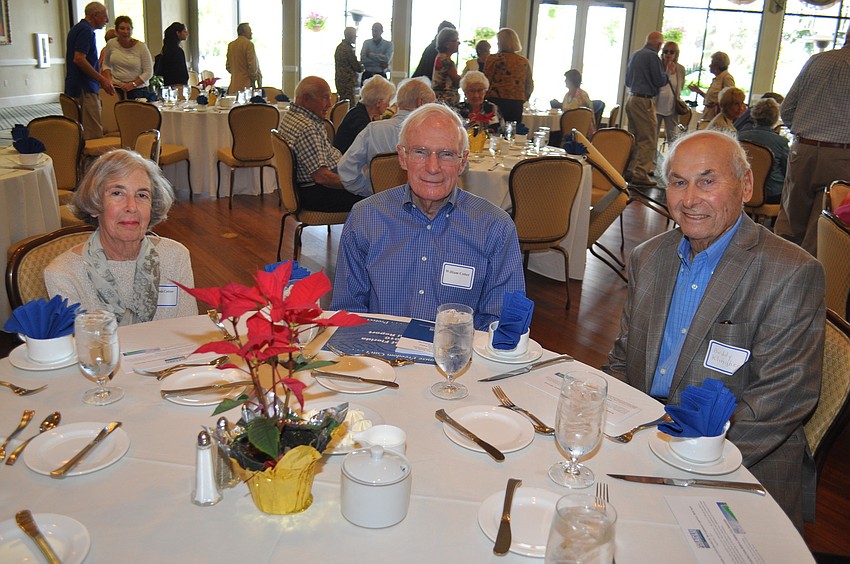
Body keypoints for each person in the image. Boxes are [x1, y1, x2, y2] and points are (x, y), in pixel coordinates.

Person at [607, 130, 825, 531]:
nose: (690, 199)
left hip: (737, 459)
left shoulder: (791, 272)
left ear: (746, 185)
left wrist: (688, 460)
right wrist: (611, 424)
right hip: (643, 440)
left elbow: (782, 399)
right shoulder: (648, 257)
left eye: (707, 181)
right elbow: (622, 360)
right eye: (678, 182)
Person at [331, 103, 525, 330]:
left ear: (462, 161)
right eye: (420, 152)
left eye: (446, 154)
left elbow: (501, 323)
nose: (433, 167)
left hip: (458, 351)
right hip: (382, 350)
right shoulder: (366, 218)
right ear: (402, 157)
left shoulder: (495, 227)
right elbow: (348, 311)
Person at [45, 149, 197, 325]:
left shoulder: (175, 257)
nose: (131, 207)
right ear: (95, 204)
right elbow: (78, 341)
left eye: (142, 195)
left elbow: (189, 329)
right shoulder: (64, 274)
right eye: (117, 193)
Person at [774, 34, 850, 256]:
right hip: (842, 156)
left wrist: (803, 132)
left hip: (803, 149)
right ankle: (809, 274)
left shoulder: (817, 60)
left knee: (789, 222)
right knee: (820, 232)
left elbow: (787, 109)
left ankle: (778, 268)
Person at [277, 77, 363, 213]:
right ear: (306, 98)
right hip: (317, 194)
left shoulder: (290, 117)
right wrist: (355, 184)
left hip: (309, 189)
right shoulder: (307, 128)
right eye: (325, 98)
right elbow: (322, 177)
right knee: (376, 197)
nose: (330, 104)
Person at [338, 78, 435, 198]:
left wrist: (370, 191)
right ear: (420, 102)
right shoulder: (434, 135)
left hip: (379, 204)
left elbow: (346, 169)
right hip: (423, 203)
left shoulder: (373, 130)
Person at [65, 2, 115, 140]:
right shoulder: (86, 31)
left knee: (76, 134)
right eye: (105, 16)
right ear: (95, 15)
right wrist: (101, 79)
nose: (107, 20)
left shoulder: (76, 29)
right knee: (93, 134)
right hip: (85, 88)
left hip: (75, 85)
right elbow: (79, 59)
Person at [623, 31, 667, 187]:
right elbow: (659, 80)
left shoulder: (636, 54)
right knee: (648, 138)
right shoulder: (652, 56)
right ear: (659, 44)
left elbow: (627, 81)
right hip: (644, 100)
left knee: (635, 137)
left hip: (632, 98)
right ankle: (641, 173)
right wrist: (667, 73)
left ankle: (630, 169)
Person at [737, 98, 788, 205]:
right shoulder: (781, 142)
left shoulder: (738, 137)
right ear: (775, 118)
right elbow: (787, 171)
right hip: (771, 195)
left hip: (742, 191)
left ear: (754, 115)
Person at [334, 75, 395, 154]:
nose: (388, 105)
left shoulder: (363, 113)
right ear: (378, 102)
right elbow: (370, 147)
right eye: (388, 101)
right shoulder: (358, 118)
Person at [483, 28, 533, 124]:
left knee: (495, 128)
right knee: (513, 129)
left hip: (495, 100)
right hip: (516, 102)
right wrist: (523, 97)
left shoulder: (493, 59)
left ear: (501, 42)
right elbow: (529, 85)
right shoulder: (523, 61)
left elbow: (486, 80)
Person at [101, 15, 153, 100]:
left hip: (138, 89)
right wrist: (109, 80)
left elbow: (148, 72)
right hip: (117, 88)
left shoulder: (141, 47)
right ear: (116, 30)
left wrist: (132, 85)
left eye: (128, 29)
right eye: (122, 28)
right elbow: (106, 64)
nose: (125, 32)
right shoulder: (111, 44)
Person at [688, 51, 735, 121]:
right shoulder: (717, 79)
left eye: (712, 63)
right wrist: (699, 91)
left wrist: (716, 104)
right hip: (709, 115)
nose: (710, 65)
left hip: (716, 118)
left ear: (717, 65)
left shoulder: (727, 78)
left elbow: (730, 100)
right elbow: (711, 99)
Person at [656, 41, 686, 145]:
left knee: (672, 137)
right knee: (653, 136)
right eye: (665, 51)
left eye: (671, 52)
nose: (668, 54)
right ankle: (653, 155)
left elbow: (680, 87)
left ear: (676, 54)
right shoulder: (657, 66)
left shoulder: (680, 69)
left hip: (672, 108)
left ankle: (672, 155)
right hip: (656, 106)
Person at [226, 22, 261, 94]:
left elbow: (228, 66)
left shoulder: (231, 45)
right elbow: (252, 66)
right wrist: (254, 78)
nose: (251, 33)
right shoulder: (248, 44)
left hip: (233, 86)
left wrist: (236, 73)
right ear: (244, 32)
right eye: (250, 31)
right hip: (246, 86)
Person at [432, 28, 462, 105]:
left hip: (439, 98)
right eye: (456, 40)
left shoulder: (439, 57)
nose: (459, 43)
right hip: (446, 100)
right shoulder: (447, 61)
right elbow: (457, 81)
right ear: (447, 44)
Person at [334, 27, 362, 103]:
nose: (355, 38)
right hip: (347, 83)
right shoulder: (348, 49)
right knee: (349, 104)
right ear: (350, 36)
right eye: (354, 36)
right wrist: (363, 64)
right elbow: (357, 67)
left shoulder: (340, 47)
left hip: (340, 80)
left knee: (342, 103)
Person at [158, 22, 190, 87]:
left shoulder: (165, 50)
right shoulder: (178, 51)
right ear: (178, 33)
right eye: (184, 31)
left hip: (168, 84)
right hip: (179, 85)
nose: (187, 33)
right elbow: (183, 73)